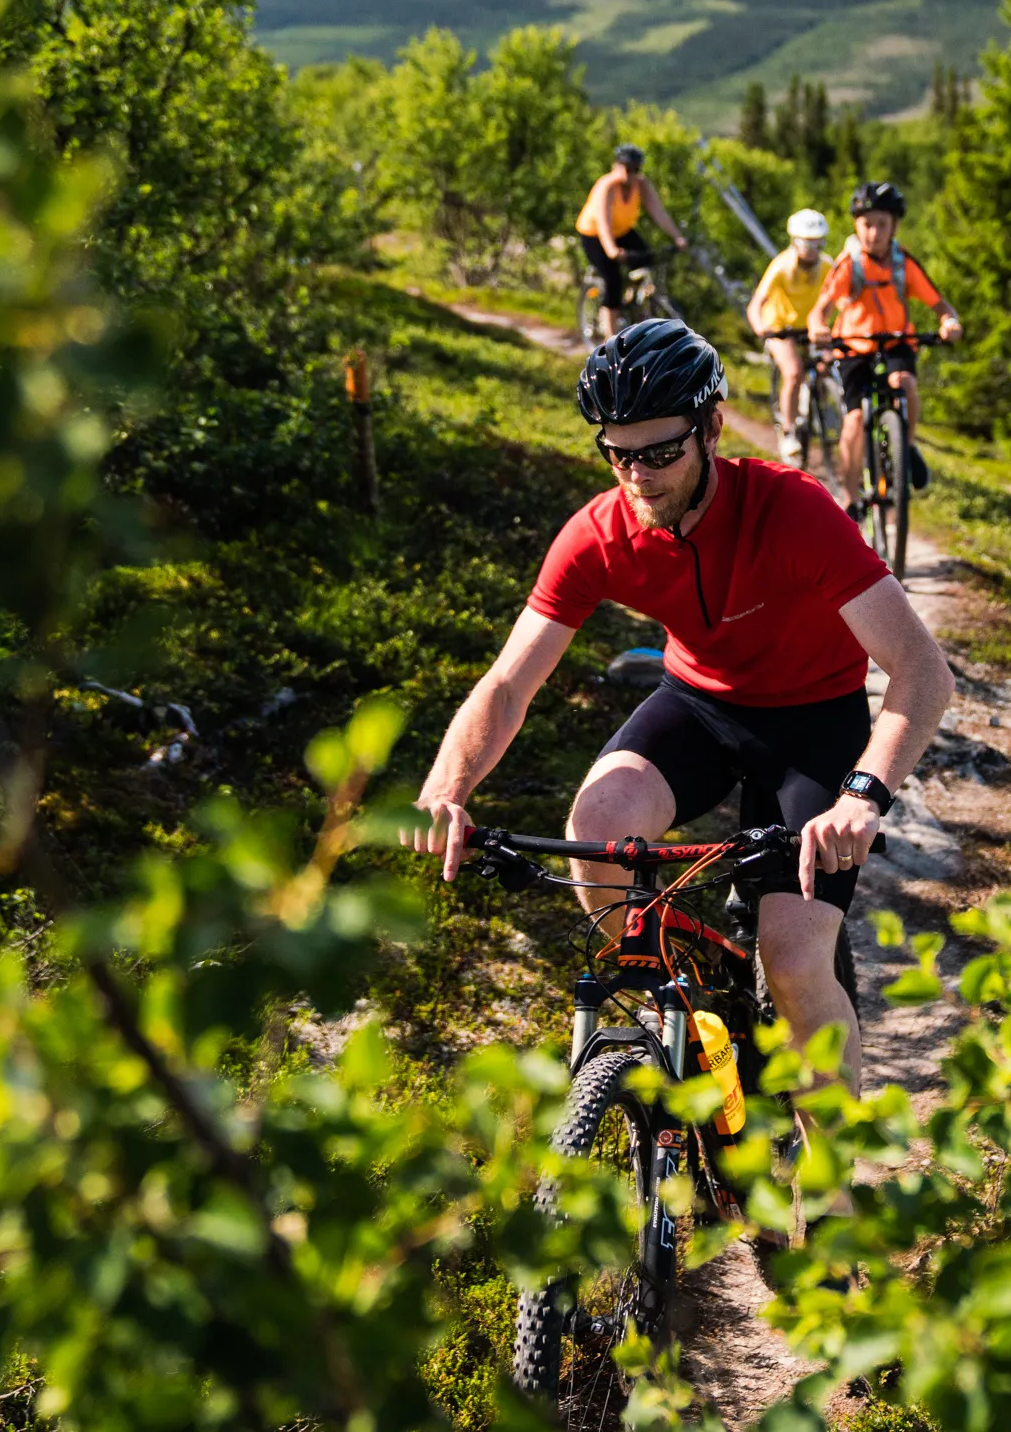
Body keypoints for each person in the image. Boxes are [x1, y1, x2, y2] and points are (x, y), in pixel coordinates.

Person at [399, 319, 956, 1106]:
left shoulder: (792, 511)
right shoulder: (599, 535)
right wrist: (445, 791)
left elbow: (922, 671)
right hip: (698, 706)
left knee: (795, 963)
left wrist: (862, 796)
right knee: (595, 827)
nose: (639, 477)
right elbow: (507, 686)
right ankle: (691, 1012)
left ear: (712, 428)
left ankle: (832, 1177)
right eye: (618, 454)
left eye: (661, 453)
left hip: (814, 725)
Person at [807, 181, 962, 500]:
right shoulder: (849, 264)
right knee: (854, 421)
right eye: (867, 224)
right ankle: (849, 499)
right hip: (853, 346)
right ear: (856, 225)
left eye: (882, 224)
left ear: (894, 226)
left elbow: (940, 305)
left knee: (905, 383)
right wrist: (817, 327)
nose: (874, 233)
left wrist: (949, 322)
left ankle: (906, 446)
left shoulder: (903, 263)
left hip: (895, 341)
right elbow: (819, 310)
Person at [746, 208, 833, 467]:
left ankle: (818, 406)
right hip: (780, 327)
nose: (812, 250)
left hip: (811, 328)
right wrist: (761, 327)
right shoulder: (782, 265)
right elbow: (756, 304)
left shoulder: (827, 265)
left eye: (817, 243)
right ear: (795, 241)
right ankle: (788, 431)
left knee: (828, 365)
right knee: (793, 372)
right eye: (807, 243)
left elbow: (839, 299)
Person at [576, 145, 689, 339]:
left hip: (622, 231)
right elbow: (603, 222)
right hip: (594, 234)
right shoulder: (606, 186)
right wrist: (612, 251)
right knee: (612, 280)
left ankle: (634, 303)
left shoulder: (641, 185)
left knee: (647, 259)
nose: (632, 174)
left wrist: (677, 237)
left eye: (636, 169)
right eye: (628, 169)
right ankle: (610, 341)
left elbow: (658, 213)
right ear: (616, 166)